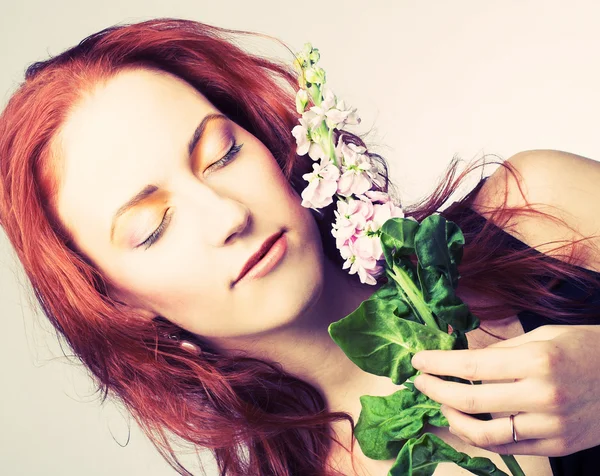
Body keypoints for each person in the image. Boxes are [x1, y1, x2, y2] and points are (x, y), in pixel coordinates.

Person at [0, 17, 599, 476]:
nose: (229, 214)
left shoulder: (543, 212)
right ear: (115, 301)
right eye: (151, 227)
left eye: (222, 154)